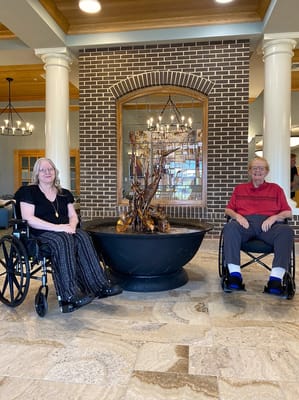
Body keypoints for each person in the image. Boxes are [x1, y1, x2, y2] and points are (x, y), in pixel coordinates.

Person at [14, 157, 122, 313]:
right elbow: (29, 219)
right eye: (43, 170)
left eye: (50, 169)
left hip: (64, 230)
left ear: (55, 172)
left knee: (82, 235)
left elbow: (73, 216)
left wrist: (71, 226)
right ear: (36, 173)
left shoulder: (64, 193)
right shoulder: (28, 192)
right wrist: (59, 228)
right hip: (39, 234)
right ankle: (69, 295)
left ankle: (99, 285)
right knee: (63, 239)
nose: (47, 172)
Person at [223, 156, 294, 296]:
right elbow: (228, 210)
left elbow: (288, 213)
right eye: (254, 168)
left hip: (269, 227)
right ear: (249, 171)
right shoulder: (239, 189)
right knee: (230, 227)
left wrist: (274, 217)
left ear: (266, 172)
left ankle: (275, 280)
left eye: (261, 168)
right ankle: (235, 276)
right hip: (245, 225)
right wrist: (237, 216)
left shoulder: (276, 189)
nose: (258, 171)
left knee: (286, 231)